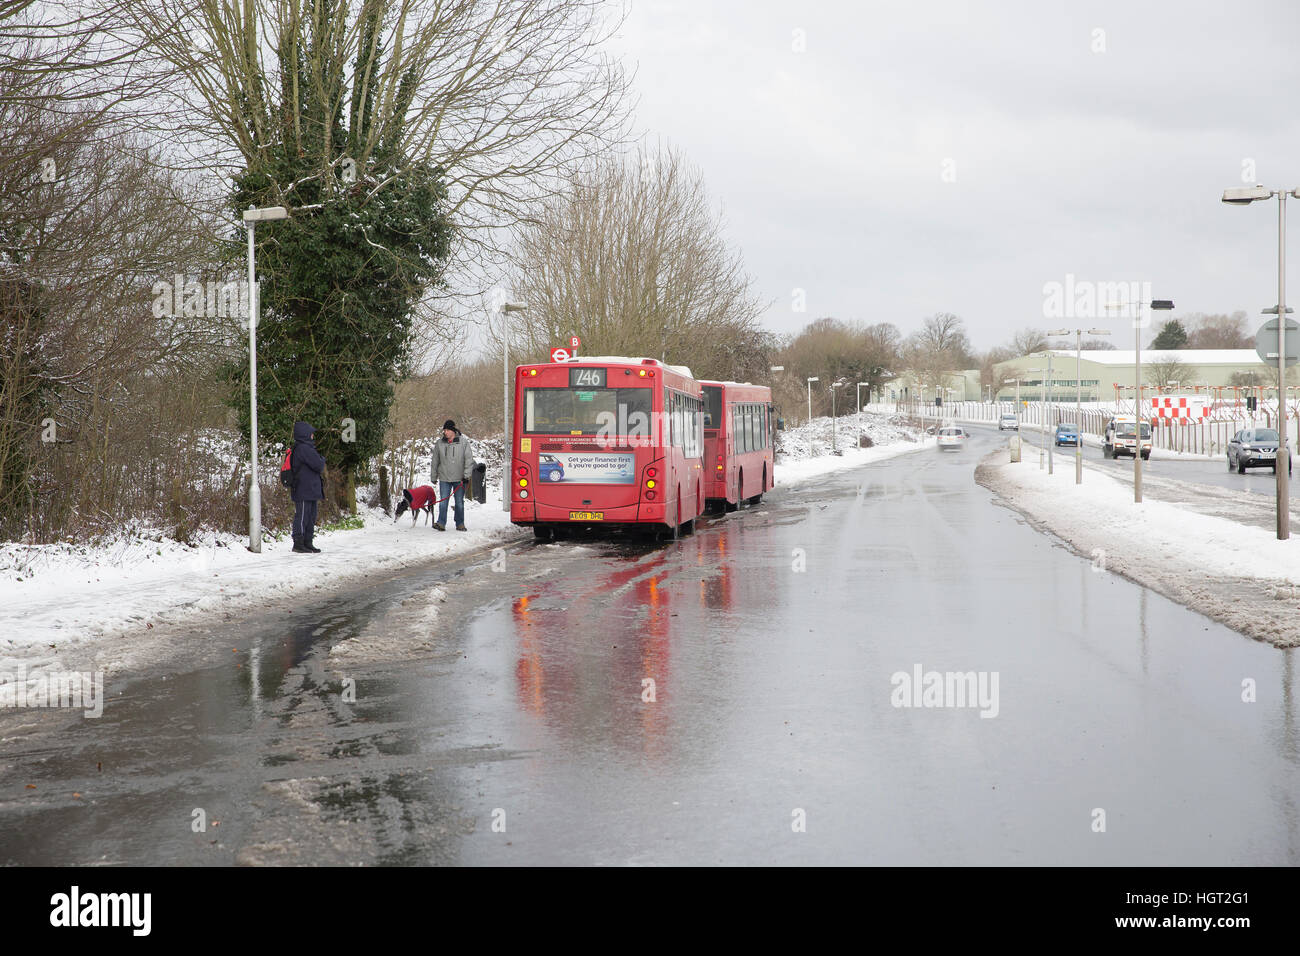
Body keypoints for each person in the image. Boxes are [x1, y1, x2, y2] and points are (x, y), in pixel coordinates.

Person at [430, 419, 473, 531]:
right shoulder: (439, 443)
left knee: (459, 503)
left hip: (460, 478)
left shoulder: (463, 442)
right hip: (444, 478)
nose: (445, 432)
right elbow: (435, 460)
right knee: (443, 502)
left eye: (448, 430)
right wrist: (433, 476)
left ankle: (460, 523)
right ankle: (441, 523)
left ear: (453, 430)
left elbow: (469, 460)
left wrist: (466, 475)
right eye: (444, 430)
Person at [290, 421, 326, 553]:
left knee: (310, 516)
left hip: (309, 488)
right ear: (305, 434)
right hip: (303, 488)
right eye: (311, 434)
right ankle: (299, 543)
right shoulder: (304, 448)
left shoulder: (305, 448)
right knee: (303, 516)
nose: (312, 436)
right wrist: (322, 459)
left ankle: (307, 542)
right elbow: (319, 465)